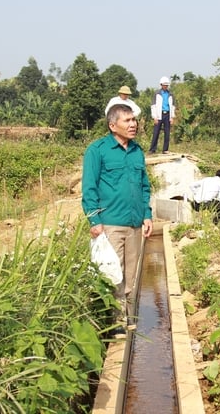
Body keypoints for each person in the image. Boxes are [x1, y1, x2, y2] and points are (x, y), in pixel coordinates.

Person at [82, 103, 153, 336]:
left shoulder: (137, 151)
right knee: (113, 272)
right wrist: (94, 221)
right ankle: (115, 322)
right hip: (110, 222)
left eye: (134, 120)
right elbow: (89, 187)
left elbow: (144, 186)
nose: (133, 124)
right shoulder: (98, 150)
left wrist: (147, 215)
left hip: (133, 223)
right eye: (127, 121)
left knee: (131, 273)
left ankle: (127, 317)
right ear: (113, 125)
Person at [148, 76, 176, 154]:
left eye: (167, 85)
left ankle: (165, 149)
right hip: (159, 115)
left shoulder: (171, 94)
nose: (165, 86)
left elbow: (173, 106)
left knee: (167, 133)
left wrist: (172, 117)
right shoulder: (157, 93)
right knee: (156, 132)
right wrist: (154, 117)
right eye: (164, 85)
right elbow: (153, 105)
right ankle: (152, 149)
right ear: (161, 85)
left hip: (167, 114)